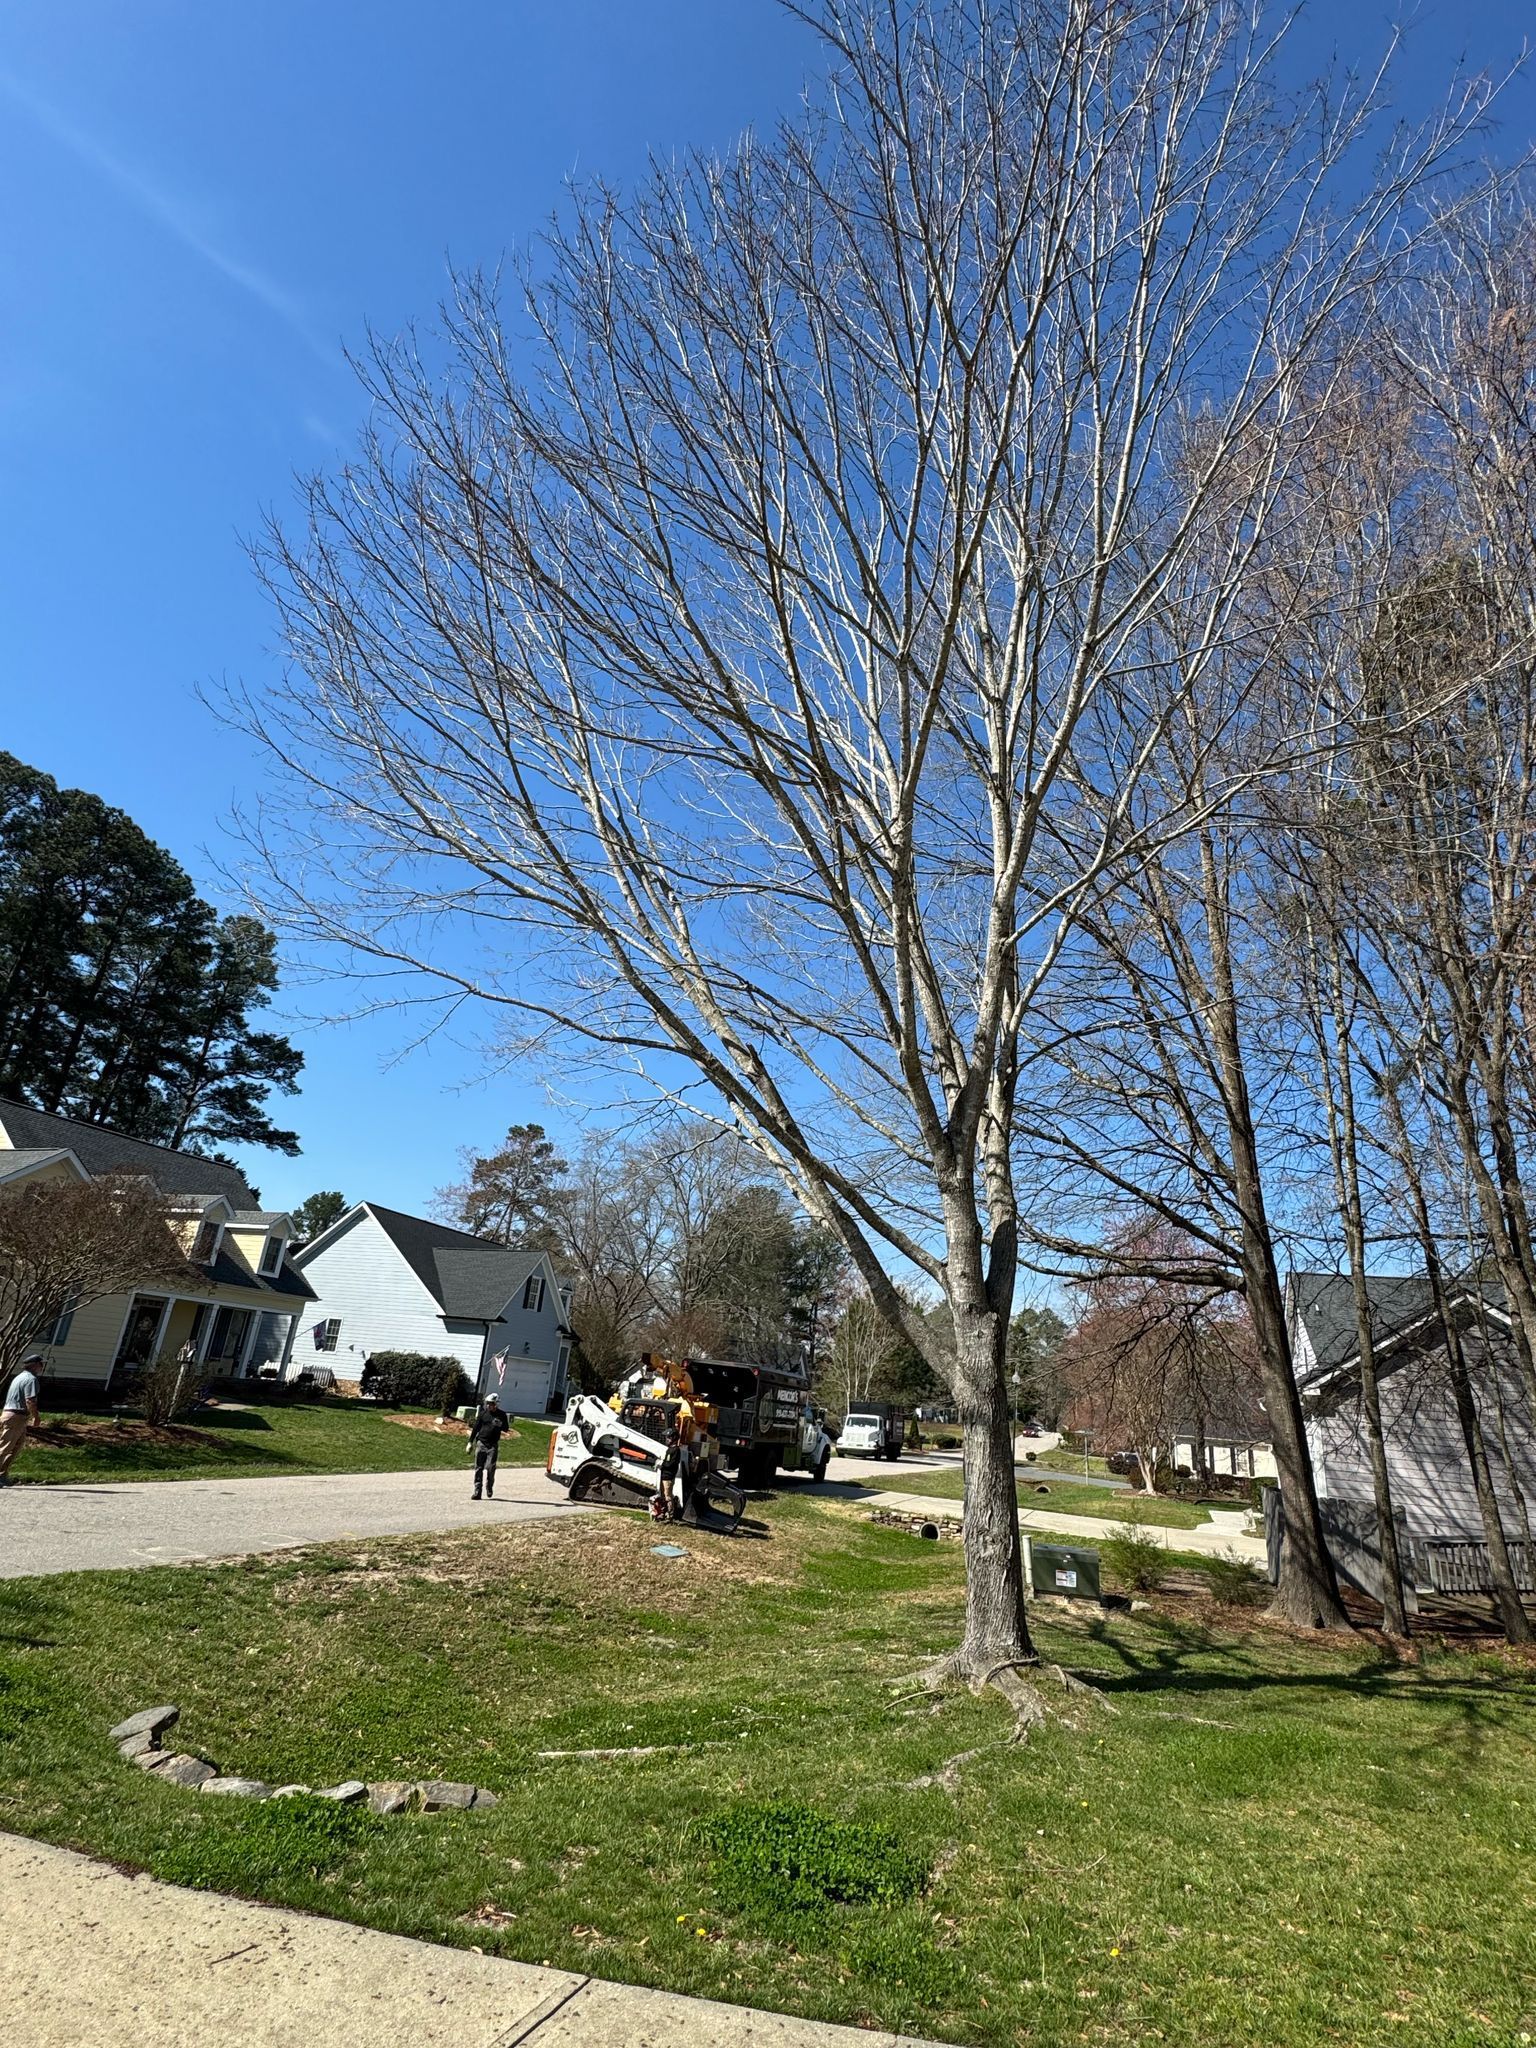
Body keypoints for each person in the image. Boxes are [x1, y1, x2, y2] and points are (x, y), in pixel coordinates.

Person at [0, 1352, 44, 1486]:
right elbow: (30, 1400)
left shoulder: (19, 1377)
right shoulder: (31, 1379)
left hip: (15, 1416)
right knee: (5, 1447)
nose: (42, 1366)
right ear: (35, 1365)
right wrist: (36, 1417)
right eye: (41, 1364)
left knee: (16, 1447)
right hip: (16, 1416)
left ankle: (2, 1475)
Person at [467, 1396, 509, 1500]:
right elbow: (476, 1428)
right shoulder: (483, 1414)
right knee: (478, 1468)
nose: (488, 1405)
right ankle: (477, 1491)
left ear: (496, 1404)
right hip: (481, 1443)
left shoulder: (502, 1415)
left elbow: (506, 1429)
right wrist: (470, 1442)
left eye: (491, 1403)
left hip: (492, 1445)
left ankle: (489, 1486)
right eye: (488, 1403)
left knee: (491, 1468)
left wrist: (500, 1424)